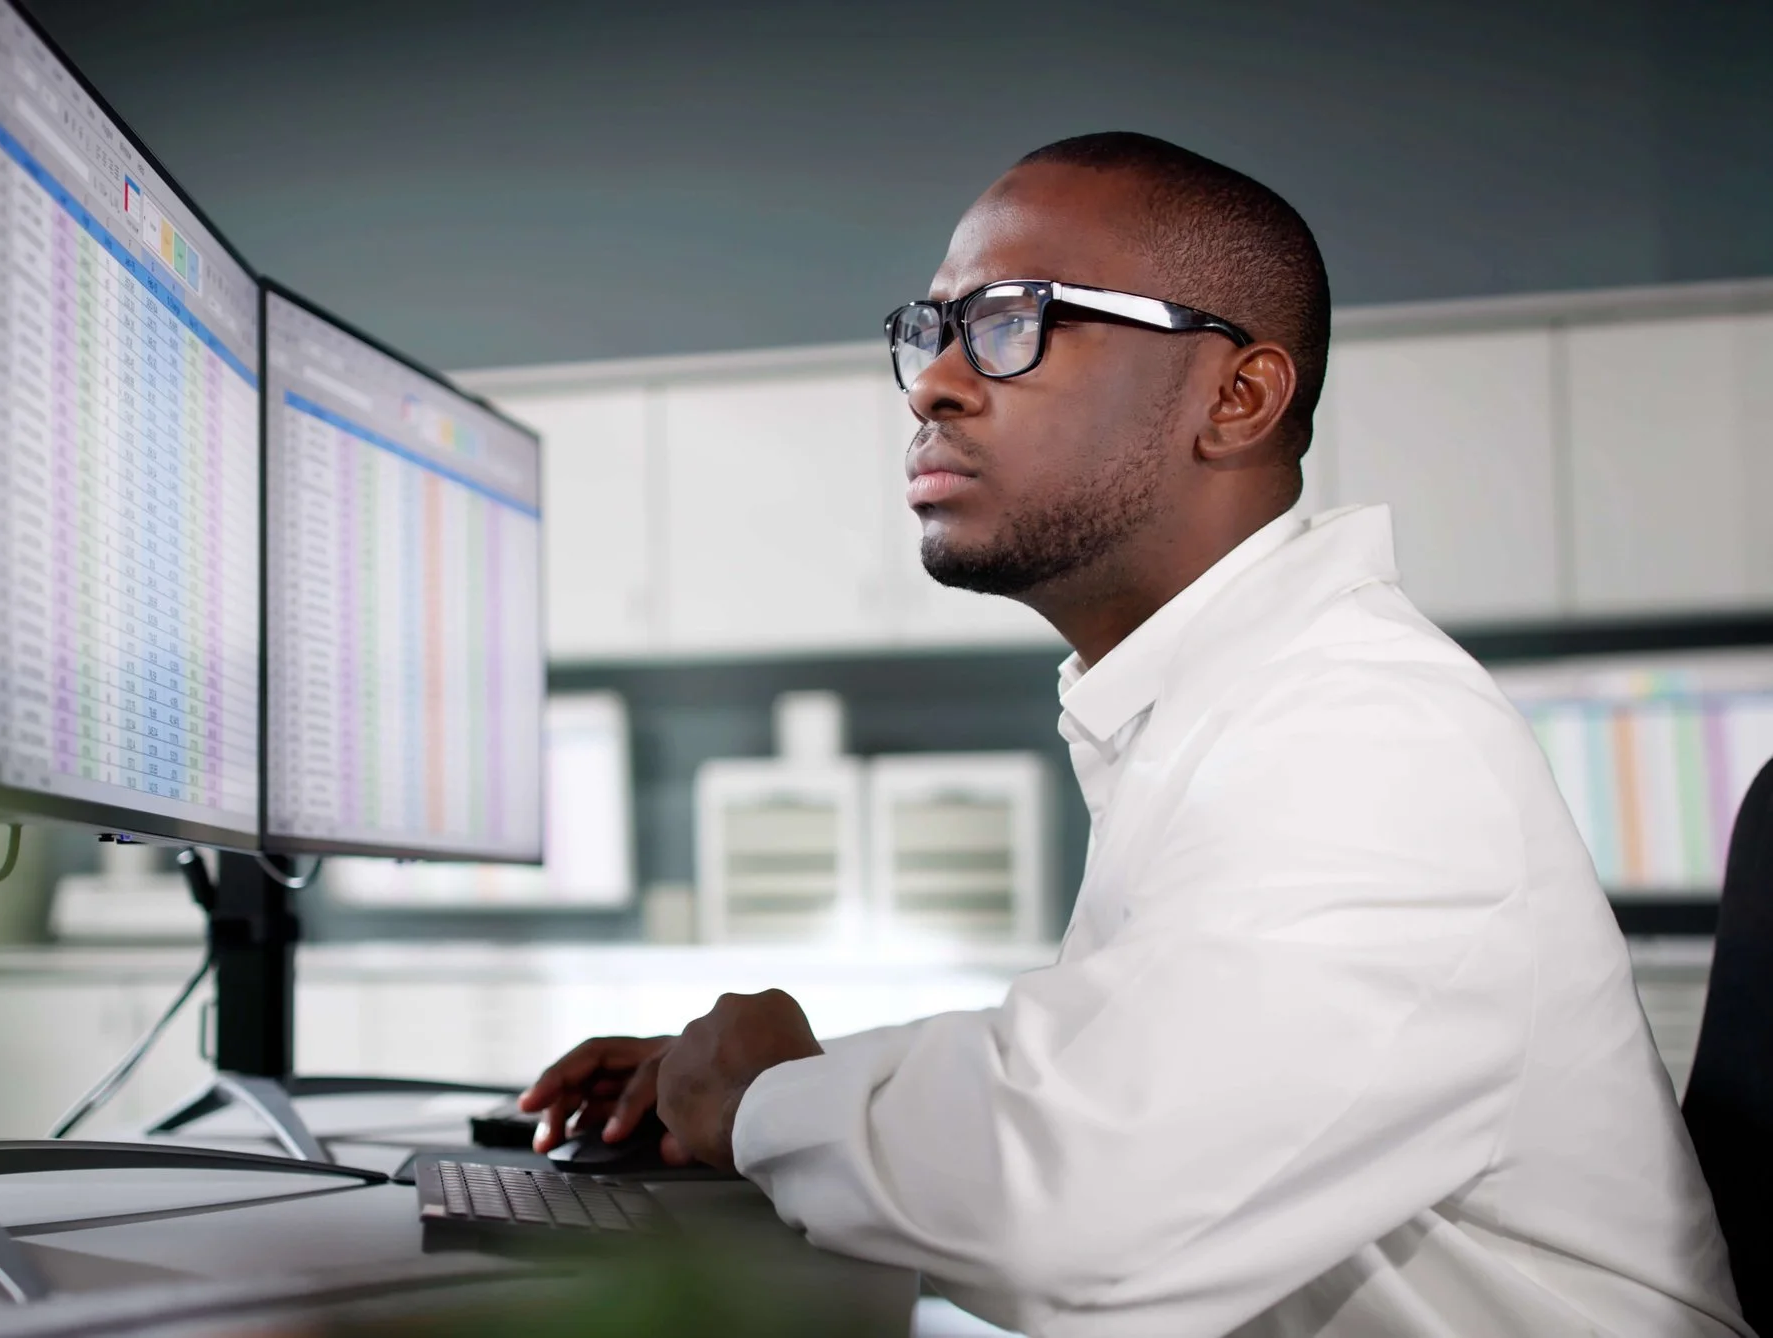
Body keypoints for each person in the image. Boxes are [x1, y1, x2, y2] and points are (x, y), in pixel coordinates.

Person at [517, 133, 1749, 1337]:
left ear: (1236, 395)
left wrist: (768, 1099)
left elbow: (1073, 1218)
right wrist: (783, 1079)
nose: (937, 381)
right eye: (929, 330)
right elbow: (1121, 1086)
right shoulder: (1218, 714)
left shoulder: (1370, 730)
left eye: (1012, 320)